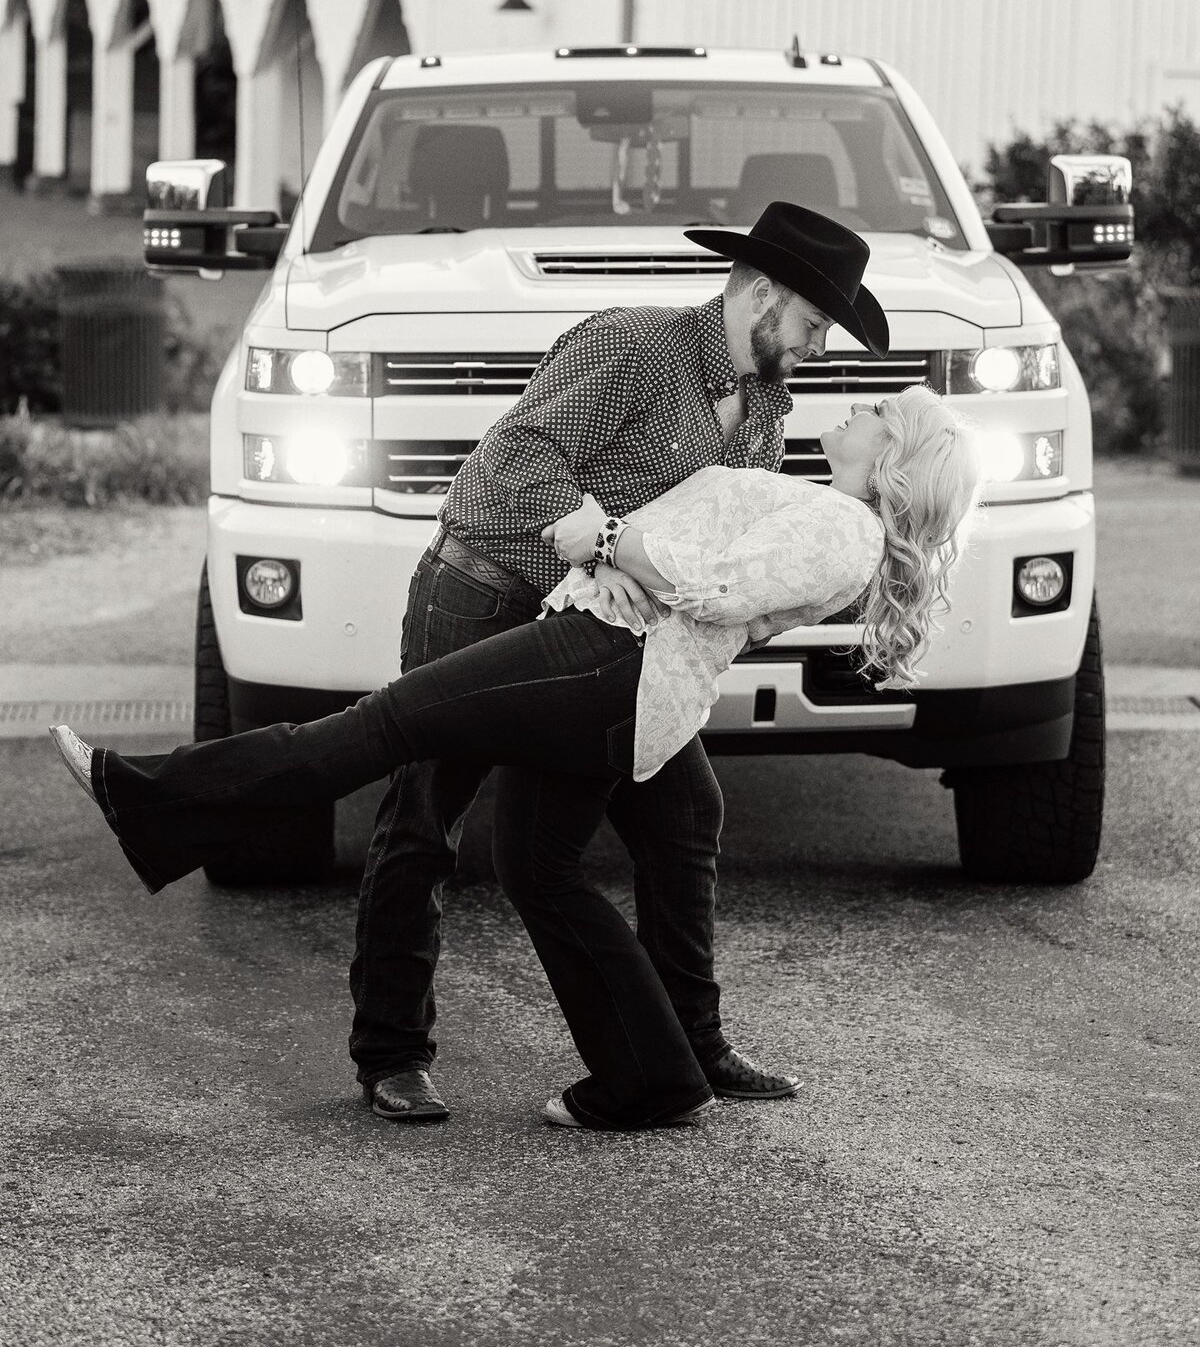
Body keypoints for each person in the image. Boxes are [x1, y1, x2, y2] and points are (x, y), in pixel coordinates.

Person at [52, 383, 981, 1133]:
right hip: (611, 661)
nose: (856, 407)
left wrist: (603, 536)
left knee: (382, 728)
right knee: (536, 866)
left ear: (893, 458)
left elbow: (716, 587)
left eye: (879, 411)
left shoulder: (844, 529)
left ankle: (154, 801)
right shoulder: (818, 503)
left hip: (606, 660)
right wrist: (616, 542)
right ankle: (652, 1074)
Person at [343, 200, 892, 1122]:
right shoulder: (636, 347)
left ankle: (693, 1045)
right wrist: (599, 548)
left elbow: (714, 549)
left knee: (686, 814)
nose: (821, 345)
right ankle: (392, 1053)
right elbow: (512, 458)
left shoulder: (762, 410)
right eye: (811, 323)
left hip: (598, 646)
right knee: (426, 812)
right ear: (760, 291)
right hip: (485, 593)